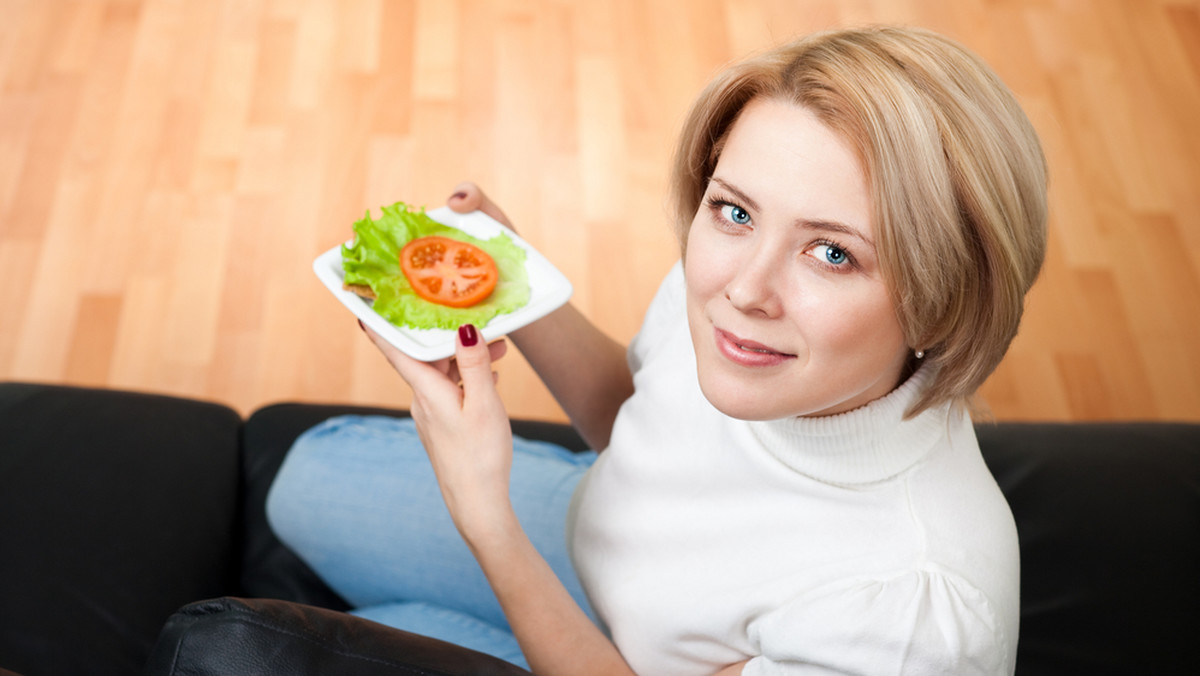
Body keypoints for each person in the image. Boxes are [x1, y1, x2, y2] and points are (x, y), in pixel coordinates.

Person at [267, 25, 1048, 675]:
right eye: (736, 210)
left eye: (833, 254)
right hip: (594, 533)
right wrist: (511, 284)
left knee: (328, 639)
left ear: (942, 301)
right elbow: (632, 410)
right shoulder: (733, 285)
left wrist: (488, 522)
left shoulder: (910, 620)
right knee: (297, 484)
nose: (742, 289)